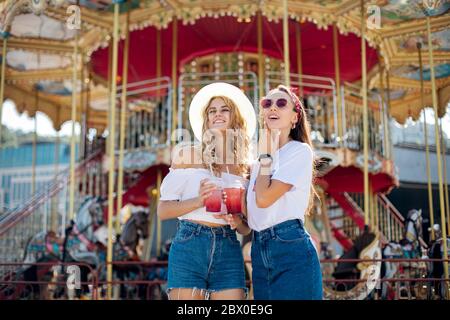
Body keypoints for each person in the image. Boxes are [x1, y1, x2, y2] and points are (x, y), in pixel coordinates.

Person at [157, 82, 256, 300]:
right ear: (206, 119)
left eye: (224, 109)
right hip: (191, 241)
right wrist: (199, 200)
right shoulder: (188, 155)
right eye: (212, 111)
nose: (217, 114)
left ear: (235, 117)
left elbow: (246, 228)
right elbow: (163, 210)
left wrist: (236, 221)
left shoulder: (244, 166)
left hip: (228, 245)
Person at [246, 84, 323, 300]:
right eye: (267, 103)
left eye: (281, 103)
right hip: (259, 248)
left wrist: (264, 158)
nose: (273, 108)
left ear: (294, 118)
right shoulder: (258, 161)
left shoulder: (299, 151)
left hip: (290, 246)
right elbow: (252, 213)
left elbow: (263, 198)